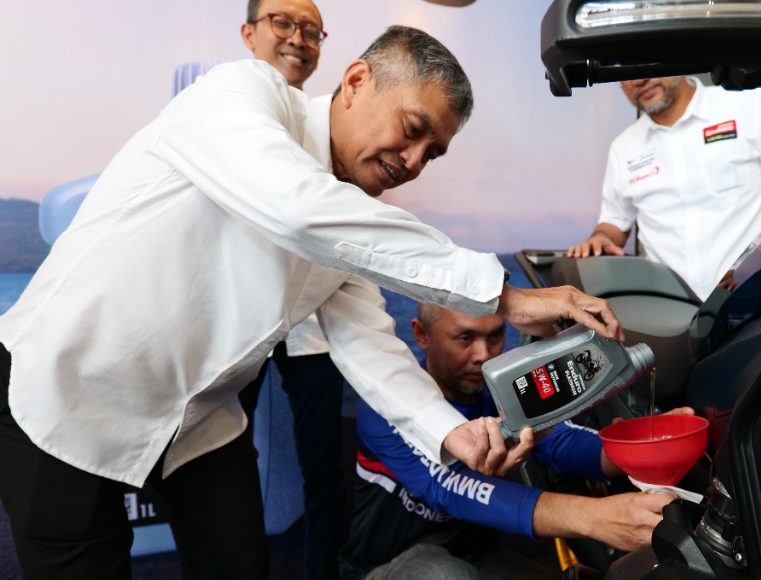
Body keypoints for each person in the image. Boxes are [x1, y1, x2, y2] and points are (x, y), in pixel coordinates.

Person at [0, 25, 623, 579]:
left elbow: (369, 346)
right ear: (356, 81)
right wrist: (507, 297)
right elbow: (296, 211)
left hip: (199, 420)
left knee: (239, 565)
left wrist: (450, 433)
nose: (414, 162)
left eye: (432, 152)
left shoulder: (351, 224)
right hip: (70, 391)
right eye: (412, 131)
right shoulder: (241, 94)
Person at [338, 303, 687, 579]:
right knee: (444, 574)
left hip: (476, 553)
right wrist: (596, 518)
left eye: (494, 336)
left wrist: (638, 447)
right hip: (386, 564)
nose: (483, 354)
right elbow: (451, 487)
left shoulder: (496, 391)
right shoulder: (387, 406)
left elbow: (559, 441)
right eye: (464, 338)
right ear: (421, 335)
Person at [238, 1, 353, 578]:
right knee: (222, 455)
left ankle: (321, 572)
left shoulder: (330, 127)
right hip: (242, 317)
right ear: (249, 33)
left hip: (311, 322)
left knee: (323, 466)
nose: (298, 38)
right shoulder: (228, 113)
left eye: (311, 30)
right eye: (283, 22)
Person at [566, 75, 761, 301]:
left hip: (754, 294)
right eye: (624, 76)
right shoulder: (623, 146)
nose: (638, 80)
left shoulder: (749, 103)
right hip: (668, 309)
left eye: (645, 65)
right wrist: (601, 237)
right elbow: (614, 223)